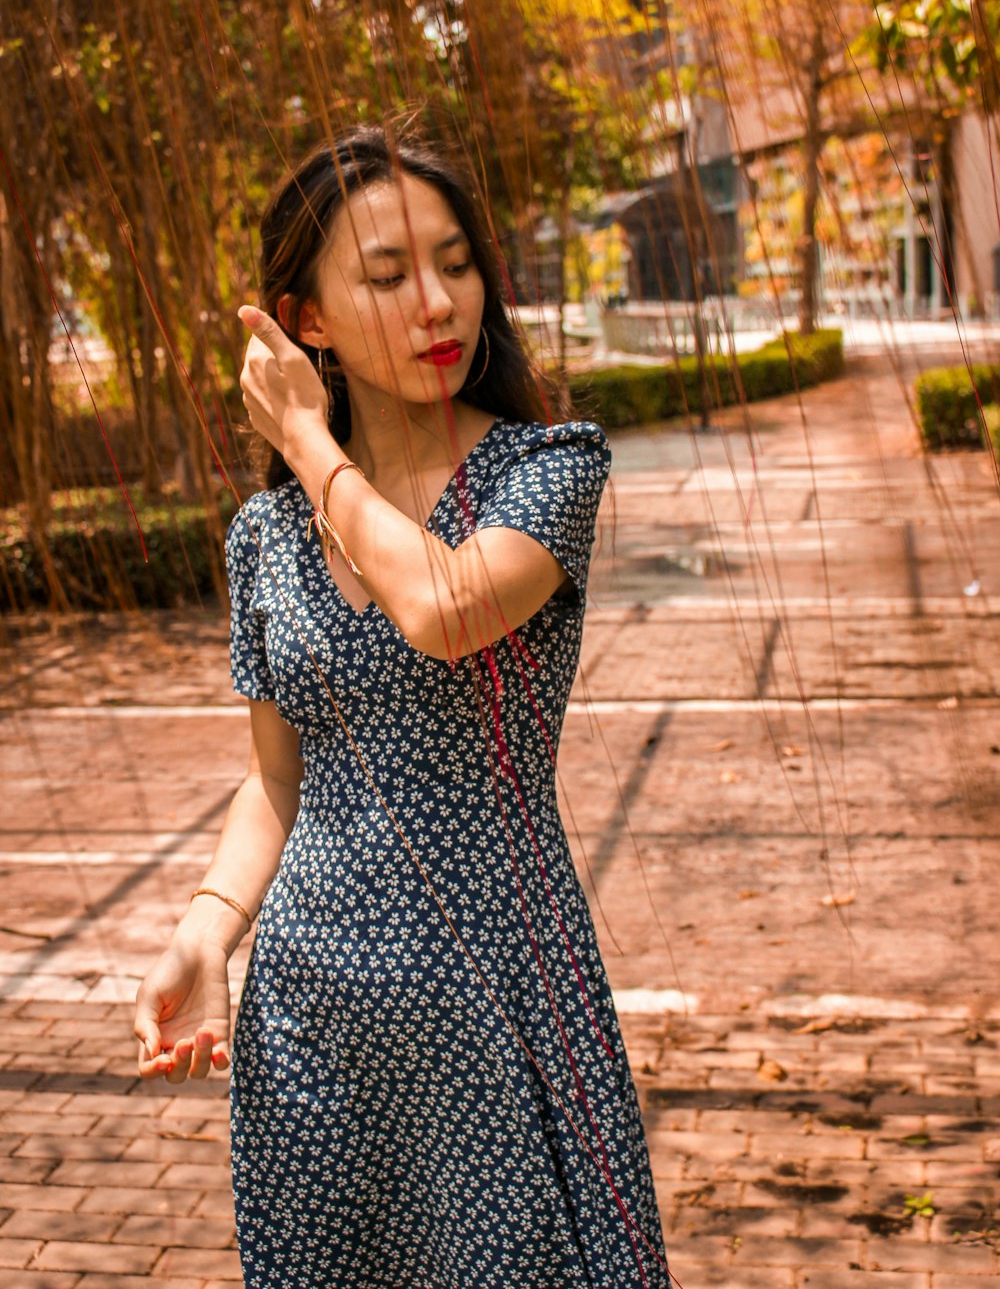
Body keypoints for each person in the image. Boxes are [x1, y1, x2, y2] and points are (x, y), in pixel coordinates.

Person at [132, 126, 671, 1288]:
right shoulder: (266, 537)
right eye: (386, 276)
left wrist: (311, 444)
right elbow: (281, 776)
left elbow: (442, 607)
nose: (438, 300)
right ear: (306, 318)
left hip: (500, 1001)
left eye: (457, 262)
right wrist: (208, 926)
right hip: (313, 1024)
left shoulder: (543, 469)